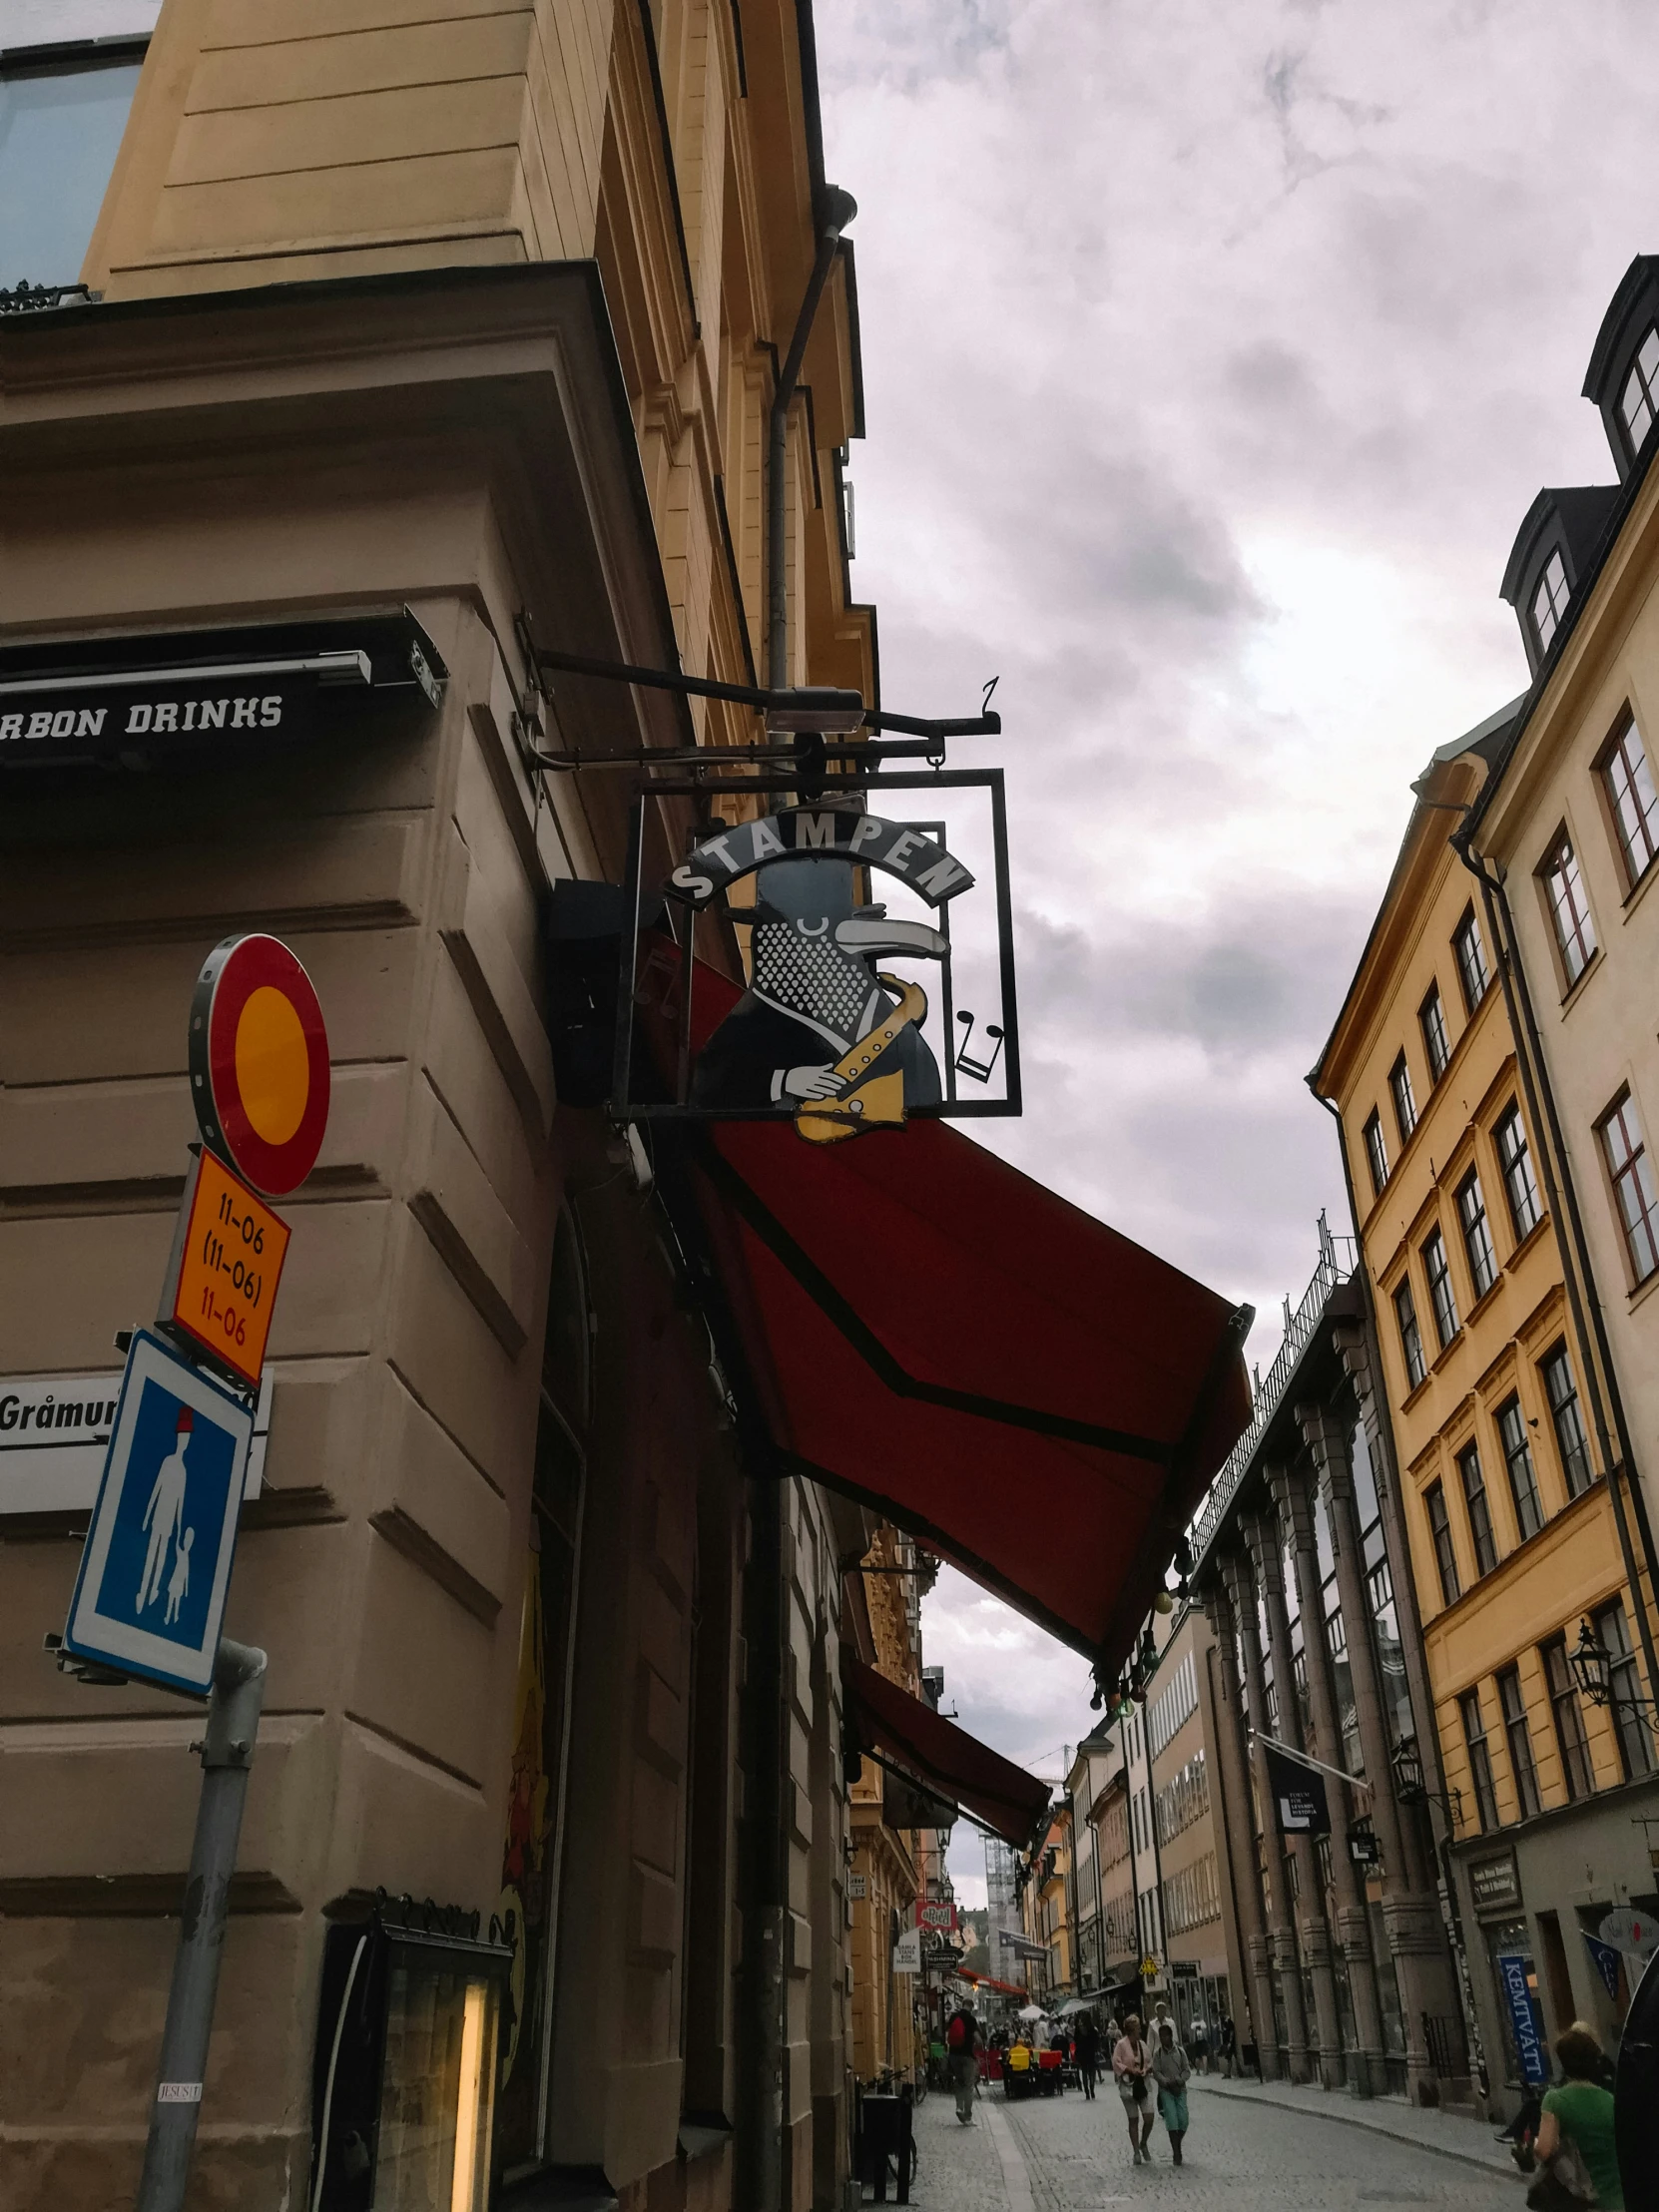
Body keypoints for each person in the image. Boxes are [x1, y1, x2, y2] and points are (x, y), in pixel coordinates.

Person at [1535, 2021, 1622, 2208]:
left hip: (1578, 2201)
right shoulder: (1610, 2100)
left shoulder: (1555, 2100)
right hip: (1615, 2201)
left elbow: (1543, 2150)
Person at [1112, 2012, 1155, 2164]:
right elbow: (1116, 2063)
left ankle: (1144, 2143)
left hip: (1143, 2084)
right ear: (1131, 2029)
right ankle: (1136, 2151)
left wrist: (1146, 2069)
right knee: (1133, 2120)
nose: (1140, 2031)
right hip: (1128, 2087)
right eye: (1137, 2028)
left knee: (1149, 2118)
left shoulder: (1142, 2045)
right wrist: (1130, 2070)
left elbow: (1150, 2062)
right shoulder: (1121, 2045)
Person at [1153, 2020, 1192, 2166]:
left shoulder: (1180, 2052)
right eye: (1161, 2036)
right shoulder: (1158, 2054)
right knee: (1172, 2120)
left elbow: (1187, 2070)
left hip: (1180, 2089)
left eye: (1165, 2036)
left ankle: (1177, 2143)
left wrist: (1179, 2080)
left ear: (1171, 2036)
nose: (1163, 2039)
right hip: (1166, 2091)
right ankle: (1176, 2151)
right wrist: (1165, 2081)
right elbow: (1156, 2072)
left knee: (1183, 2119)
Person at [945, 1999, 982, 2125]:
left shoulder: (954, 2017)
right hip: (967, 2056)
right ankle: (967, 2116)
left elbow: (945, 2033)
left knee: (959, 2082)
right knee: (968, 2085)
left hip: (953, 2055)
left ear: (962, 2005)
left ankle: (959, 2107)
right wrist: (975, 2048)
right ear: (971, 2007)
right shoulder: (971, 2020)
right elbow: (978, 2040)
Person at [1075, 2011, 1102, 2101]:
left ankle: (1087, 2091)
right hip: (1091, 2053)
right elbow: (1097, 2042)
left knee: (1084, 2072)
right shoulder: (1093, 2030)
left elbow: (1076, 2042)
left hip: (1082, 2053)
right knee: (1092, 2072)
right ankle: (1092, 2089)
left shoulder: (1078, 2030)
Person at [1219, 2013, 1237, 2078]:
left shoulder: (1229, 2022)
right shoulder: (1225, 2023)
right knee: (1229, 2058)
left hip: (1230, 2043)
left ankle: (1228, 2073)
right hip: (1227, 2042)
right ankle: (1228, 2073)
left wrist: (1230, 2042)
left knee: (1229, 2058)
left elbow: (1231, 2032)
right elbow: (1227, 2031)